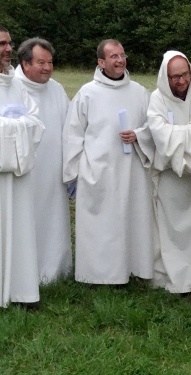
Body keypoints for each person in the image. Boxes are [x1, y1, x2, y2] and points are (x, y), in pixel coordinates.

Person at [63, 39, 154, 285]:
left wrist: (139, 135)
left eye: (122, 55)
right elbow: (73, 134)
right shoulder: (87, 93)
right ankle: (95, 275)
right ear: (101, 62)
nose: (120, 60)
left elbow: (152, 127)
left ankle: (132, 269)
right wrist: (75, 172)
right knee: (100, 225)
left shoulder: (138, 92)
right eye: (113, 56)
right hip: (98, 171)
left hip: (132, 171)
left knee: (131, 221)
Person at [134, 50, 191, 293]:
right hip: (172, 177)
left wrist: (183, 131)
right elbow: (161, 136)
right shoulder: (158, 99)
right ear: (165, 77)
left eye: (184, 75)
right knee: (171, 232)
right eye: (174, 77)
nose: (181, 81)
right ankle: (173, 278)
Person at [15, 37, 72, 284]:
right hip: (23, 173)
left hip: (53, 172)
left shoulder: (57, 89)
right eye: (41, 62)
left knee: (53, 220)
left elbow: (70, 128)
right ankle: (23, 273)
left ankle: (56, 269)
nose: (48, 67)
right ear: (25, 63)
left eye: (50, 62)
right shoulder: (11, 88)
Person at [0, 26, 45, 307]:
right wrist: (16, 126)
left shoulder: (15, 83)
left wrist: (13, 126)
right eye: (1, 44)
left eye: (8, 43)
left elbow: (36, 121)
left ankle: (20, 291)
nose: (7, 49)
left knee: (19, 230)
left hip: (17, 175)